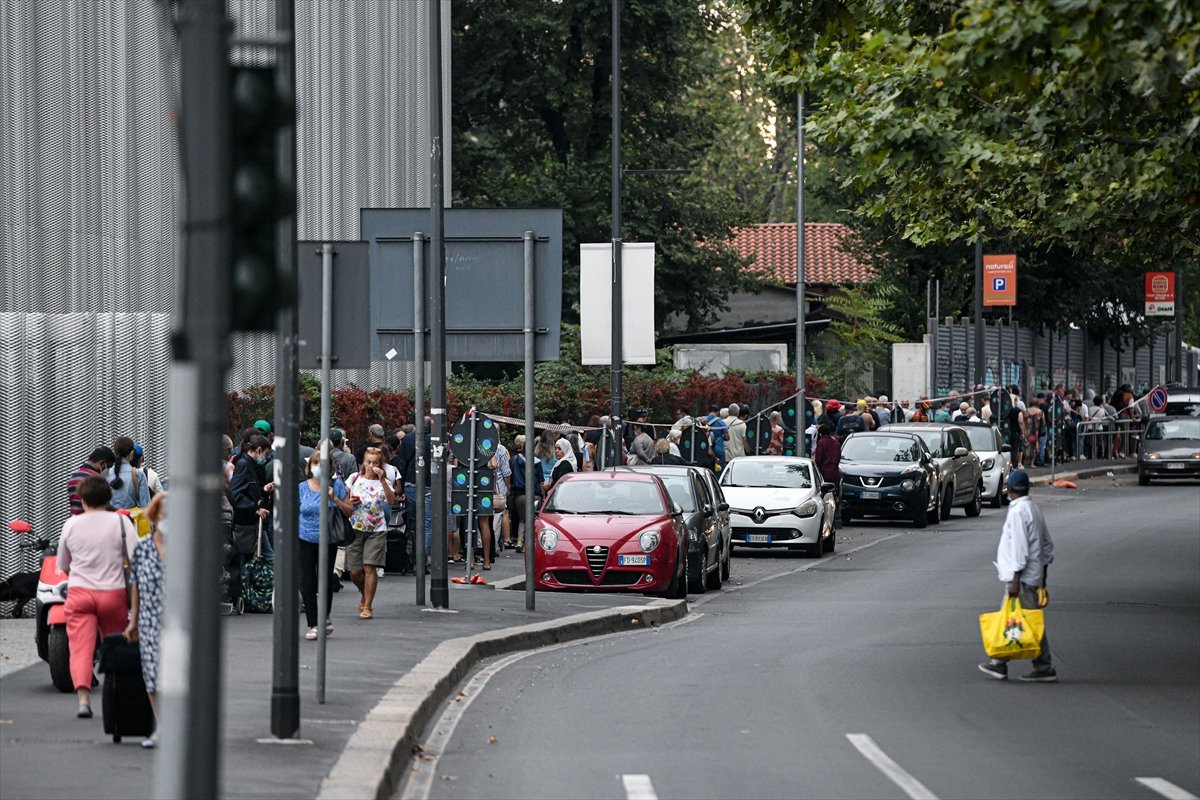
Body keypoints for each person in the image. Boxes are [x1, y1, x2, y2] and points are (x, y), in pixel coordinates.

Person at [56, 476, 129, 719]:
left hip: (79, 593)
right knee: (115, 646)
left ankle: (84, 700)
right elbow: (137, 558)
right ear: (109, 498)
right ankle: (114, 696)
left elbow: (63, 565)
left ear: (83, 499)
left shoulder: (71, 525)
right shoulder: (121, 523)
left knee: (80, 648)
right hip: (113, 593)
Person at [979, 471, 1057, 682]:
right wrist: (1043, 578)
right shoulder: (1033, 509)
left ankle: (1036, 665)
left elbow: (1020, 549)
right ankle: (1001, 662)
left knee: (1026, 621)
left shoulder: (1018, 512)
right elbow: (1048, 546)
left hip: (1021, 579)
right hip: (1031, 576)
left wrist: (1015, 579)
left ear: (1010, 489)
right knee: (1024, 619)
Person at [124, 492, 167, 748]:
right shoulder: (142, 547)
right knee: (151, 674)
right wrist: (133, 620)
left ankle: (178, 727)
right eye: (163, 513)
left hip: (177, 622)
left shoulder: (186, 548)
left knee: (175, 675)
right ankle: (161, 725)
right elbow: (135, 585)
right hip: (150, 619)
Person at [298, 448, 354, 640]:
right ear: (309, 466)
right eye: (315, 463)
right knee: (307, 581)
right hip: (305, 538)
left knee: (325, 579)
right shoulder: (302, 488)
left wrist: (335, 499)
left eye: (322, 464)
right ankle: (314, 623)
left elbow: (349, 511)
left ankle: (325, 616)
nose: (318, 467)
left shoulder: (335, 485)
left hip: (328, 539)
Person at [345, 447, 396, 618]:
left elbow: (391, 500)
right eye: (368, 462)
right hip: (355, 528)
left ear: (381, 465)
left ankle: (368, 606)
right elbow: (344, 497)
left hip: (377, 529)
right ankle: (363, 593)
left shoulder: (384, 481)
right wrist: (351, 501)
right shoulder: (354, 478)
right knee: (354, 571)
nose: (371, 466)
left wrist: (382, 480)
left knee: (369, 567)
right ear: (363, 463)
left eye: (375, 463)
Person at [68, 446, 116, 516]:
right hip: (90, 521)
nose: (107, 471)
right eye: (107, 467)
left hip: (74, 519)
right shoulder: (96, 479)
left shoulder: (73, 477)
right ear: (102, 463)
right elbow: (103, 506)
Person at [108, 436, 151, 511]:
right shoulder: (138, 474)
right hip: (131, 520)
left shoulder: (107, 474)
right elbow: (146, 506)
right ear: (132, 453)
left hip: (112, 520)